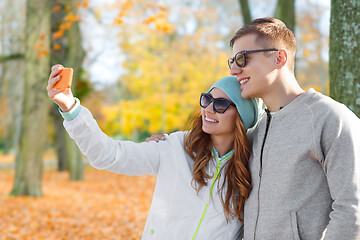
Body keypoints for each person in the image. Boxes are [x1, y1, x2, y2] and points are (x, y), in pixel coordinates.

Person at [47, 68, 259, 240]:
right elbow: (109, 155)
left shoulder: (253, 165)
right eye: (206, 99)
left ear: (242, 117)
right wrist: (71, 108)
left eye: (221, 104)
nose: (209, 108)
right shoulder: (176, 147)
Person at [227, 17, 360, 239]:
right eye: (231, 61)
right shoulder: (256, 129)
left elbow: (352, 209)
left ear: (279, 58)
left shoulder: (330, 118)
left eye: (242, 59)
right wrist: (169, 143)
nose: (234, 70)